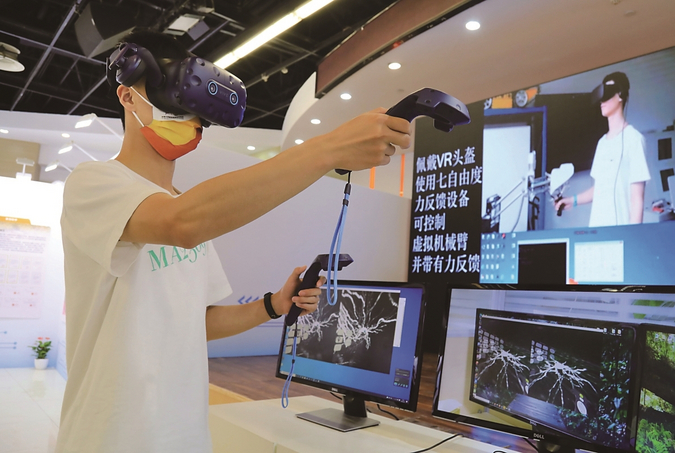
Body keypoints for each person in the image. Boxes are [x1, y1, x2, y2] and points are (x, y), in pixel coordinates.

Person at [55, 30, 411, 453]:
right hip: (109, 438)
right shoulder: (95, 183)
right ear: (127, 96)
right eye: (170, 98)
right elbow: (180, 224)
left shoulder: (185, 205)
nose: (187, 118)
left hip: (185, 436)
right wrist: (329, 149)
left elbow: (198, 321)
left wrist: (273, 305)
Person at [554, 72, 650, 227]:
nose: (601, 101)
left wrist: (632, 237)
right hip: (597, 231)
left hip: (621, 233)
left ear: (620, 95)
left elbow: (637, 199)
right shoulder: (602, 143)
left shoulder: (634, 139)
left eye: (607, 94)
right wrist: (572, 200)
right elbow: (599, 189)